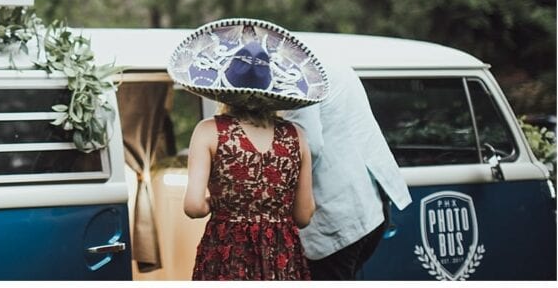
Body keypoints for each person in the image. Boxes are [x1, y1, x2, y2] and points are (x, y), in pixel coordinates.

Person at [168, 19, 330, 281]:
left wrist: (220, 204)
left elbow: (194, 206)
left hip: (227, 252)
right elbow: (303, 215)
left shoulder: (209, 131)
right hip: (282, 254)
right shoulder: (297, 136)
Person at [284, 56, 412, 280]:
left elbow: (308, 146)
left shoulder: (297, 76)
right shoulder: (330, 60)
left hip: (336, 215)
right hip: (371, 204)